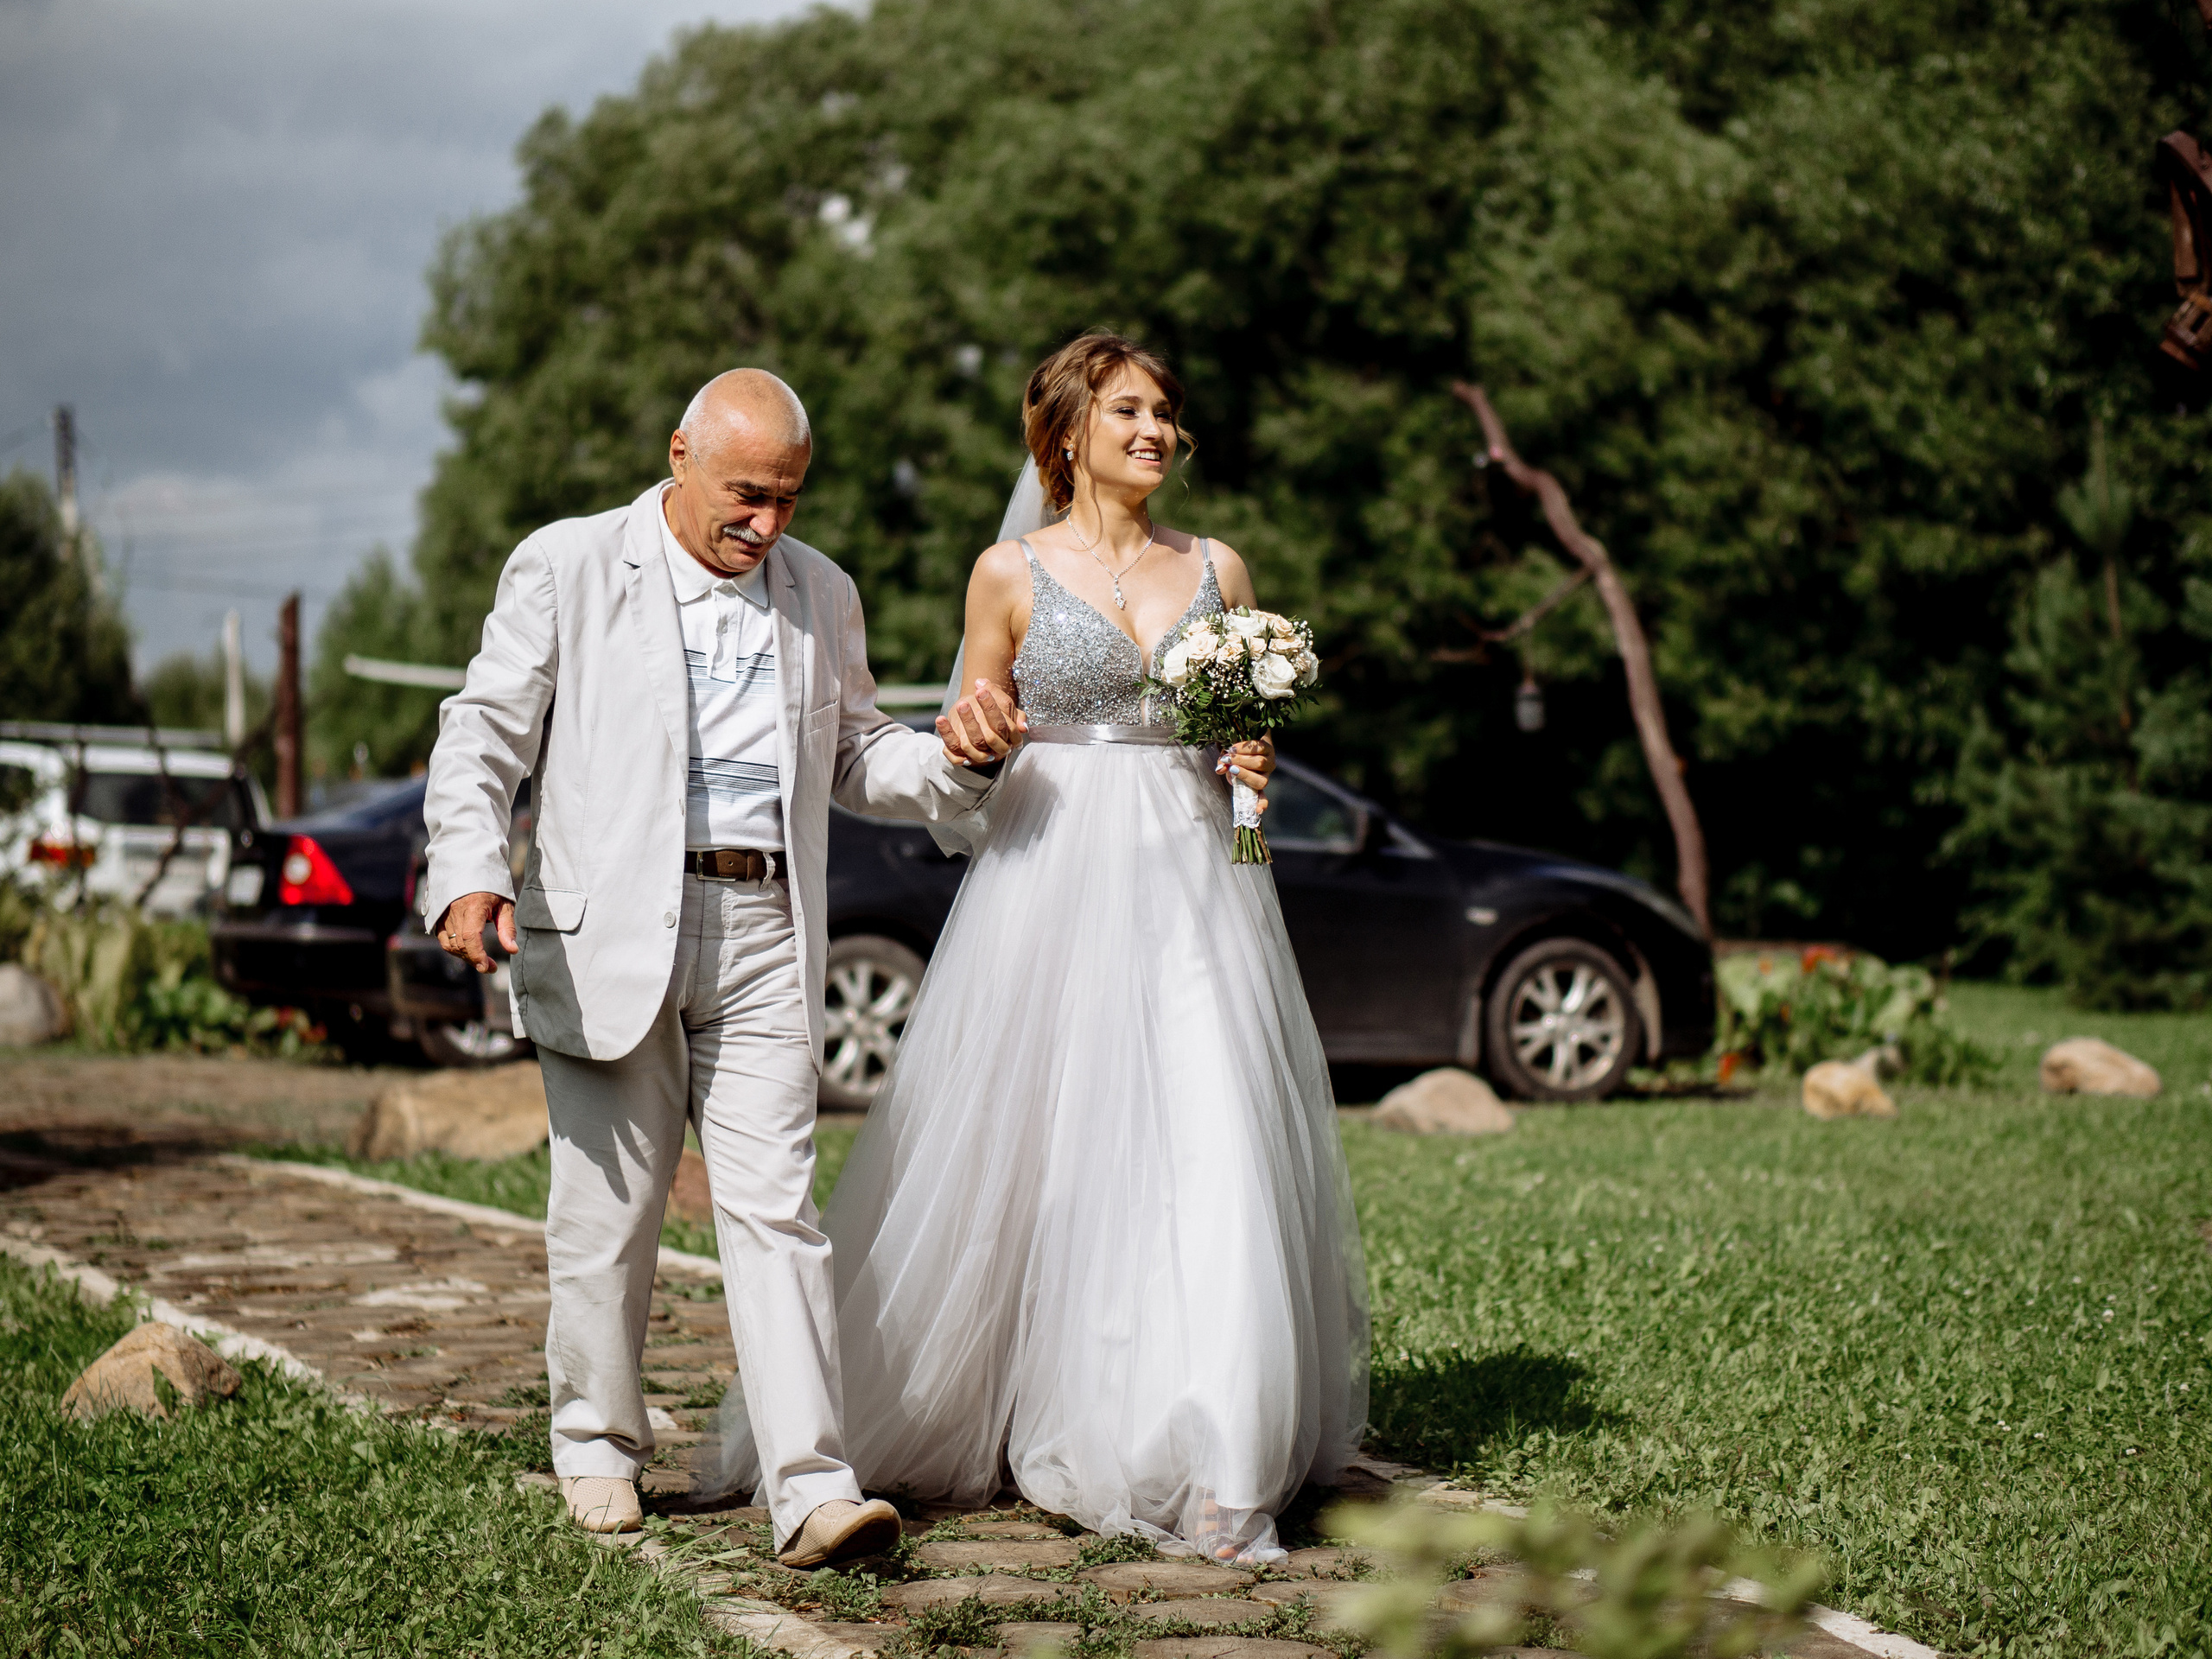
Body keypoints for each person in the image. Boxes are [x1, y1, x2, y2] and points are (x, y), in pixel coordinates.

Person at [419, 368, 1023, 1565]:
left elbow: (858, 754)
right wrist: (469, 871)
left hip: (765, 935)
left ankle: (811, 1487)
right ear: (679, 453)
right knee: (610, 1215)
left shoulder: (822, 592)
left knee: (777, 1216)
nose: (769, 522)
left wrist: (958, 766)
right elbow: (483, 731)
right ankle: (597, 1446)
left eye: (790, 499)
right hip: (609, 933)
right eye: (747, 494)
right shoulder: (571, 564)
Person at [817, 332, 1368, 1562]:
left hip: (1194, 884)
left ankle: (1226, 1458)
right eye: (1129, 411)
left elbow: (1237, 731)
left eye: (1167, 412)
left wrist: (1252, 763)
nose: (1156, 431)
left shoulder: (1218, 564)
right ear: (1067, 434)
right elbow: (965, 760)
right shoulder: (1006, 574)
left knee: (1213, 1133)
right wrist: (970, 737)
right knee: (1048, 1152)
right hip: (1048, 881)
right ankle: (1025, 1401)